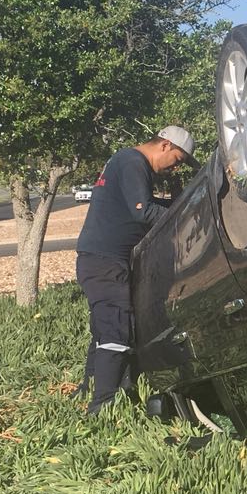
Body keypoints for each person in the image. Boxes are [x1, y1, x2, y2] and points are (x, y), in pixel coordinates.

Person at [74, 126, 199, 414]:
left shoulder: (125, 161)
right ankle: (102, 407)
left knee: (104, 327)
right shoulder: (133, 162)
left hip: (99, 259)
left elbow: (147, 204)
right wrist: (182, 220)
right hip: (105, 261)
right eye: (178, 160)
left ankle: (88, 388)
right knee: (116, 329)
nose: (174, 168)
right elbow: (142, 211)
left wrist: (179, 202)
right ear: (165, 146)